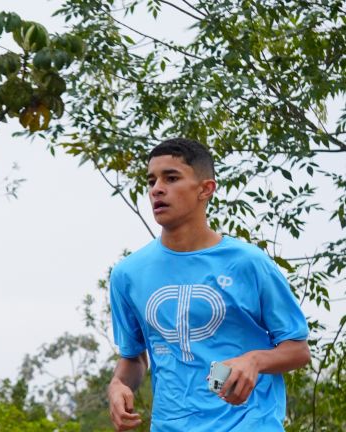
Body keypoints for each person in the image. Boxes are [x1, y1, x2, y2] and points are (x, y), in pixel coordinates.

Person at [107, 138, 311, 431]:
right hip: (171, 425)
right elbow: (134, 357)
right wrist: (117, 385)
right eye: (151, 181)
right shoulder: (128, 274)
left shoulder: (248, 263)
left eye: (171, 178)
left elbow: (298, 349)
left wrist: (254, 360)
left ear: (206, 189)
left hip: (249, 422)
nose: (157, 189)